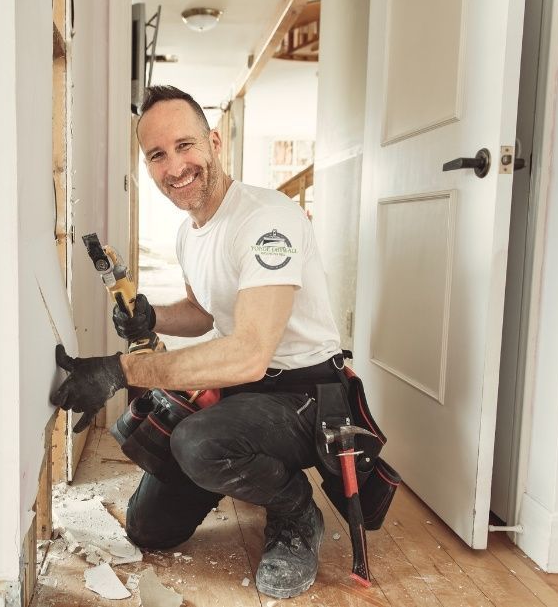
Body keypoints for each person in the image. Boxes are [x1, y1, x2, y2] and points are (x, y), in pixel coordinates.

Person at [50, 85, 345, 599]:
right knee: (149, 529)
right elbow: (207, 312)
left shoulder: (266, 221)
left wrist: (122, 369)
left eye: (185, 146)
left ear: (213, 142)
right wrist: (153, 317)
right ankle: (247, 469)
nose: (175, 166)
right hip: (242, 390)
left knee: (198, 443)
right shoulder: (190, 233)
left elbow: (251, 350)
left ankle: (295, 509)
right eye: (158, 155)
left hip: (306, 392)